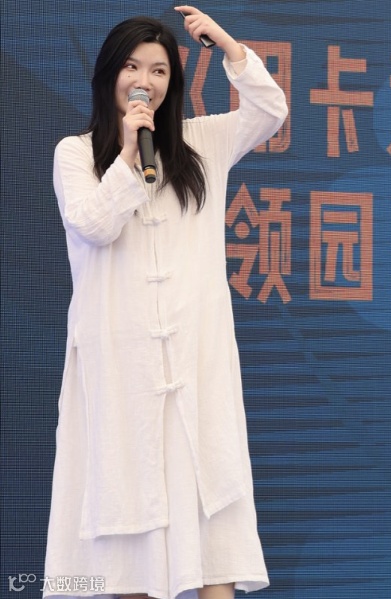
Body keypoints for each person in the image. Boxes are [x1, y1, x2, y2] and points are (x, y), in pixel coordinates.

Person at [44, 6, 287, 599]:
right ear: (110, 74)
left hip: (195, 365)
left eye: (158, 70)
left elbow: (269, 111)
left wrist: (228, 47)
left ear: (172, 83)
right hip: (119, 368)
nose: (144, 81)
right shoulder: (75, 153)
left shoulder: (203, 142)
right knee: (126, 527)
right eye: (132, 67)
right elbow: (93, 225)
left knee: (211, 527)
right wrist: (129, 156)